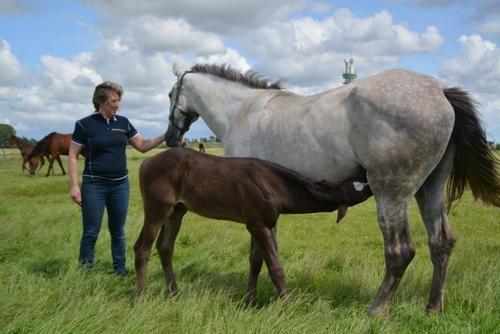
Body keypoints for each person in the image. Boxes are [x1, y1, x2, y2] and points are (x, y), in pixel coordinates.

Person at [68, 81, 165, 276]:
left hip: (120, 186)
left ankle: (120, 270)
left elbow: (143, 145)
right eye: (114, 100)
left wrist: (165, 135)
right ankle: (85, 271)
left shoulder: (123, 123)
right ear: (101, 101)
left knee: (118, 231)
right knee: (91, 231)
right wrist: (74, 186)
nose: (117, 104)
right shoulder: (84, 124)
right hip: (94, 185)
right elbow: (72, 155)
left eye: (119, 100)